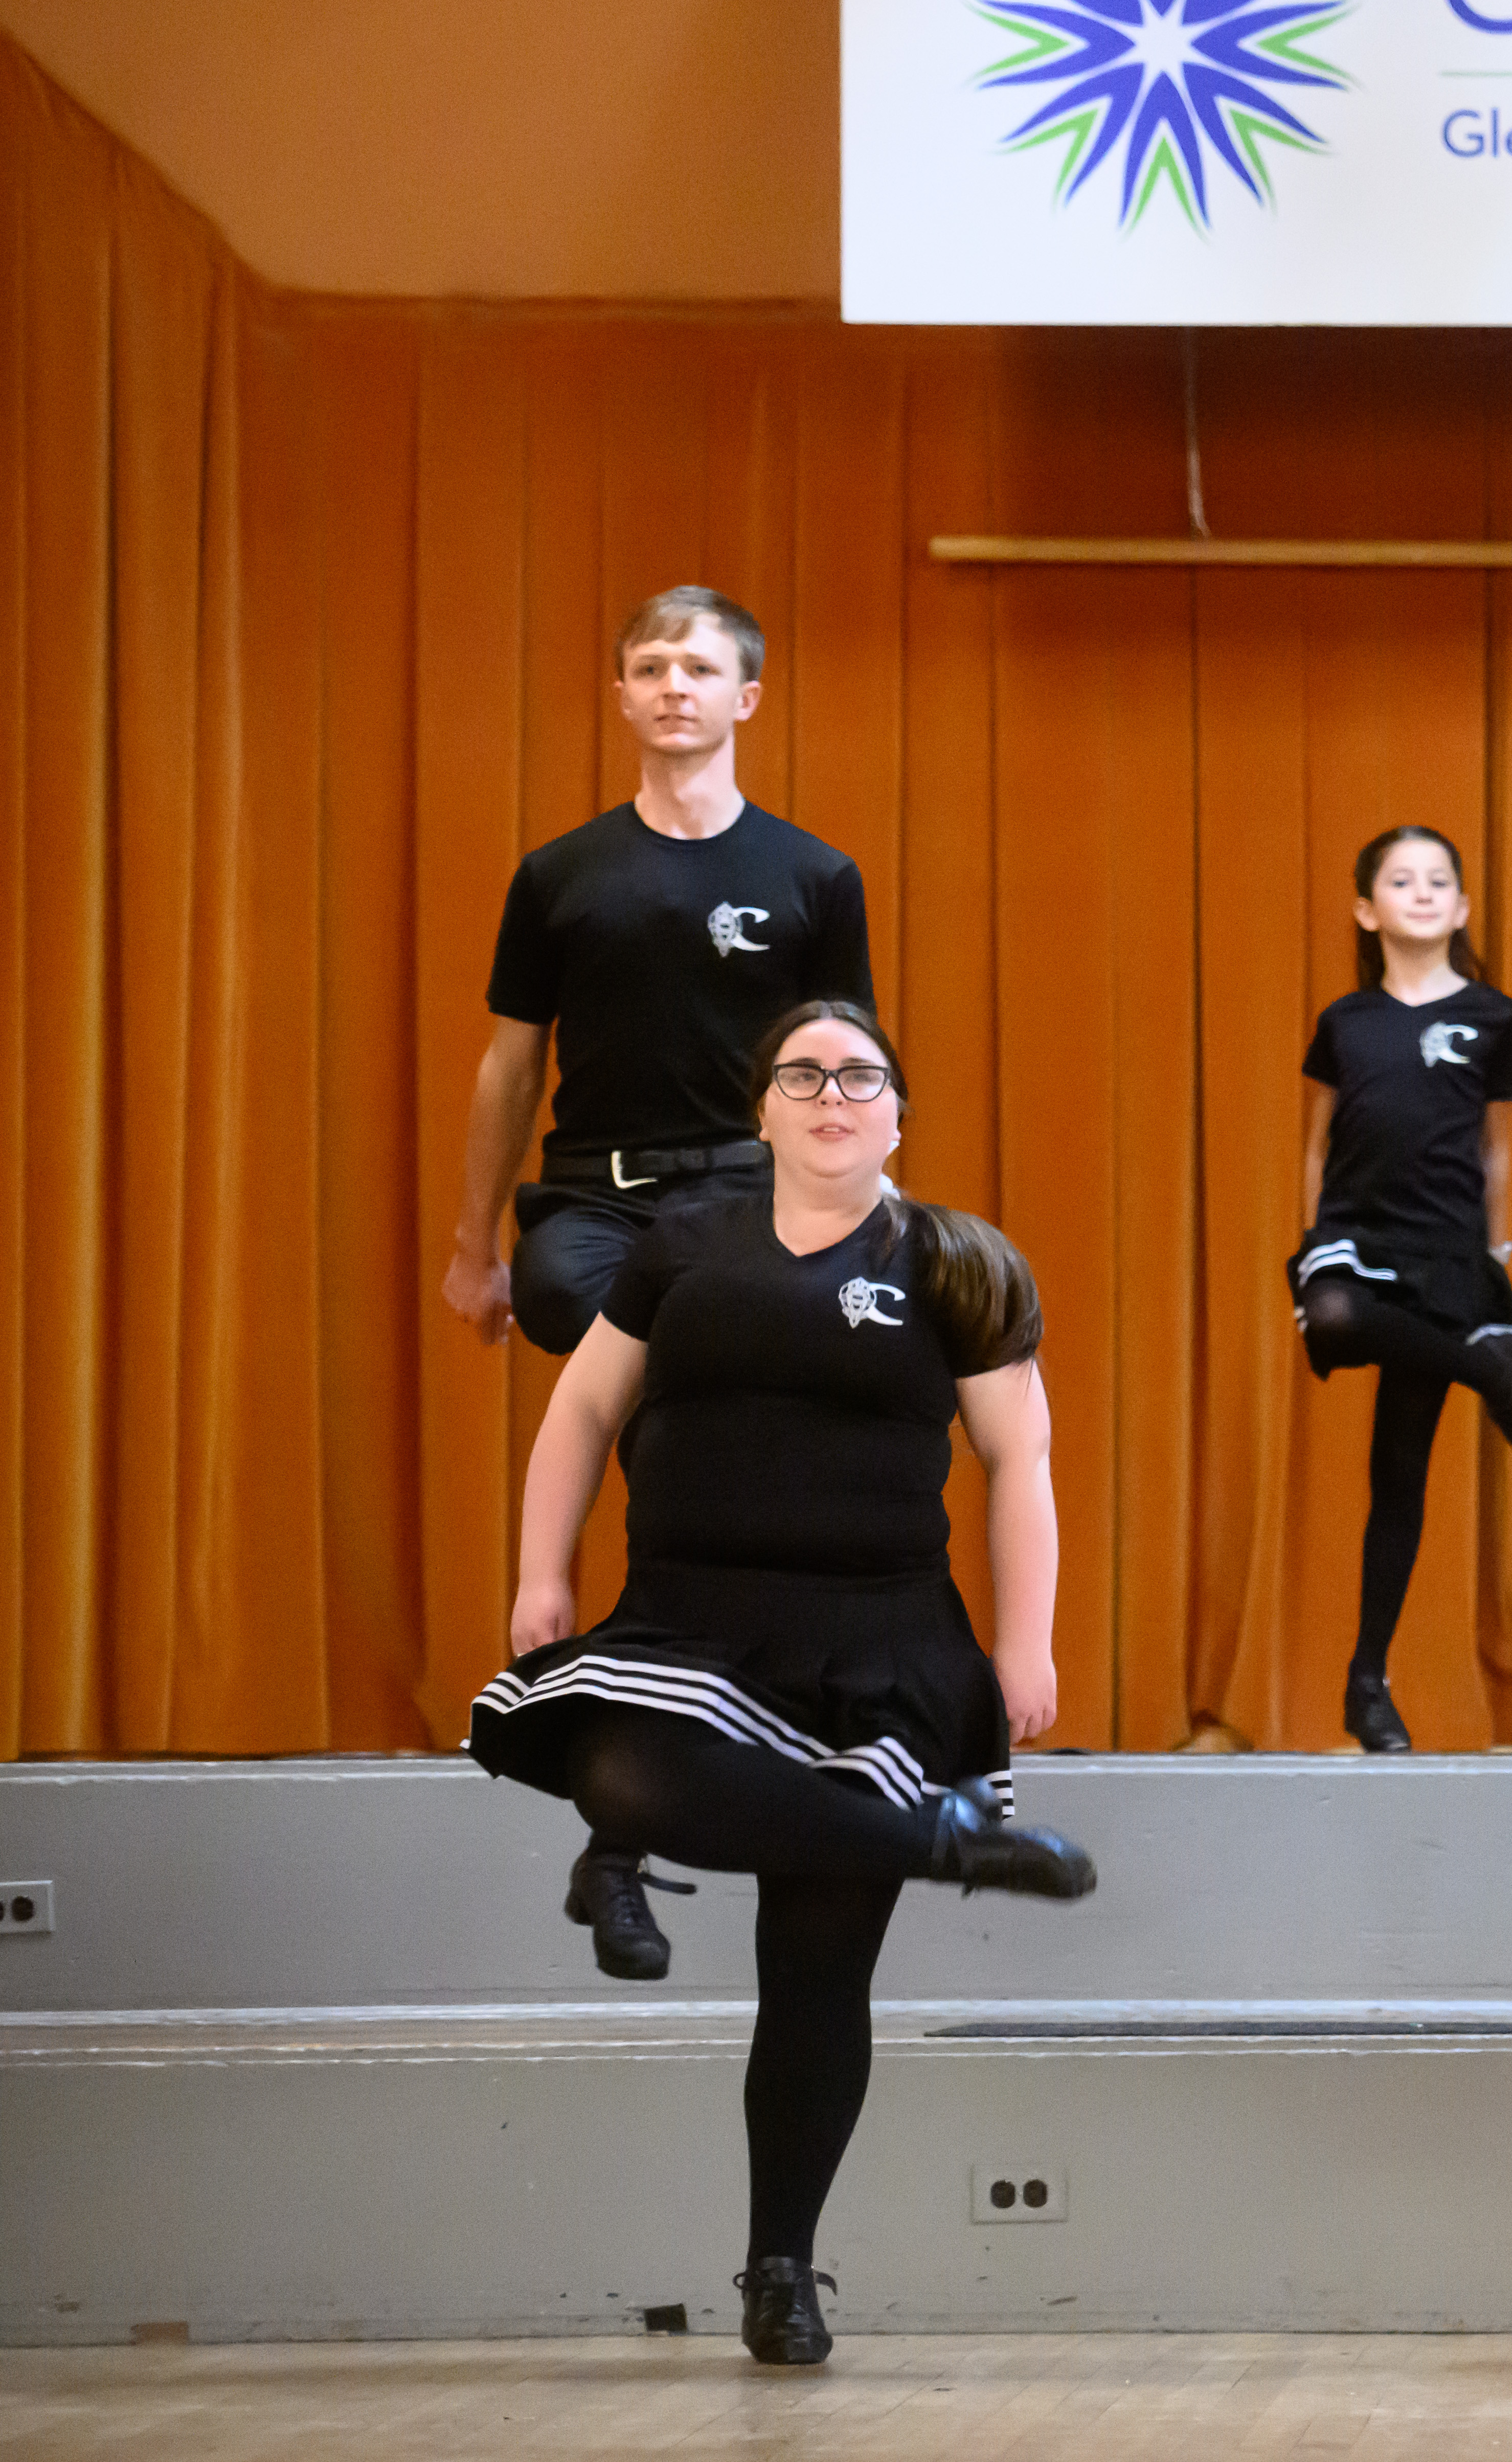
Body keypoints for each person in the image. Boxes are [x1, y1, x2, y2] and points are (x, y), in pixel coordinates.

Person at [463, 1002, 1097, 2368]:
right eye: (801, 1073)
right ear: (760, 1109)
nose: (830, 1093)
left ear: (895, 1113)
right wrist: (538, 1574)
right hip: (693, 1626)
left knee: (815, 1974)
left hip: (881, 1650)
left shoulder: (955, 1261)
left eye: (858, 1075)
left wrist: (1025, 1641)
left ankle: (782, 2268)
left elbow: (1023, 1457)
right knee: (626, 1765)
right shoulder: (679, 1246)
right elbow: (580, 1406)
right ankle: (941, 1843)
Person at [442, 586, 877, 1981]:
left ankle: (617, 1836)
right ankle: (648, 1796)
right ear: (623, 697)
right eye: (649, 665)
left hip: (747, 1202)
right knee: (654, 1376)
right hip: (589, 1209)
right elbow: (509, 1065)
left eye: (700, 665)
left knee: (702, 1478)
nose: (674, 683)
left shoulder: (814, 875)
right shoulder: (561, 874)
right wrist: (473, 1247)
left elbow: (845, 1066)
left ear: (747, 696)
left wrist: (865, 1219)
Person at [1293, 824, 1512, 1754]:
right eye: (1399, 881)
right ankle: (1490, 1375)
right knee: (1332, 1316)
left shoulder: (1495, 1017)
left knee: (1396, 1474)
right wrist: (1313, 1237)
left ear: (1461, 907)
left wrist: (1496, 1261)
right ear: (1367, 908)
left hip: (1447, 1250)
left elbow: (1496, 1151)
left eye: (1437, 880)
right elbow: (1320, 1141)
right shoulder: (1346, 1022)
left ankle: (1368, 1681)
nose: (1420, 892)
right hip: (1354, 1240)